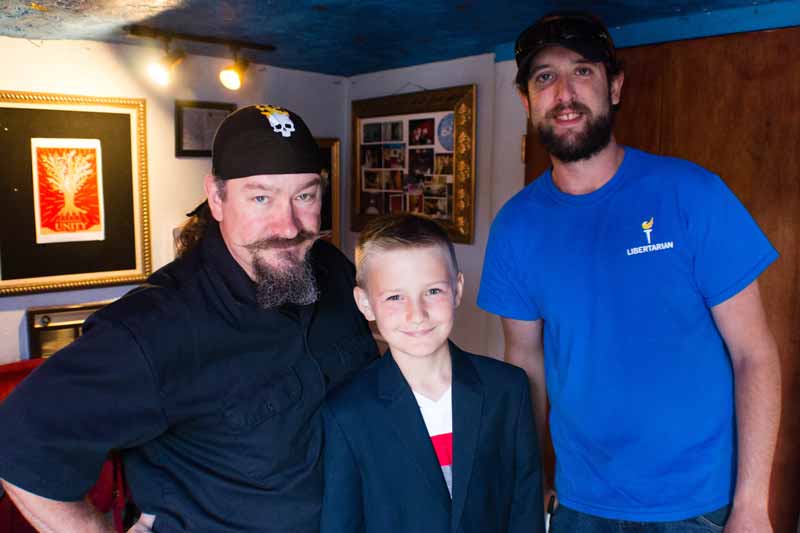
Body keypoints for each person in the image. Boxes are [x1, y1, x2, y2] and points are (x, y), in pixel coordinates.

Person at [0, 104, 378, 533]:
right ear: (216, 199)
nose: (289, 226)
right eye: (260, 197)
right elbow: (18, 441)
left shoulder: (332, 269)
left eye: (305, 196)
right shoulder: (154, 327)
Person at [478, 11, 781, 533]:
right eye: (545, 77)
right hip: (579, 506)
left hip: (700, 508)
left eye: (583, 71)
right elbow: (525, 364)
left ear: (614, 86)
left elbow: (754, 355)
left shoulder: (693, 195)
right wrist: (533, 478)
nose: (564, 93)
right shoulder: (515, 228)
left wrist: (753, 505)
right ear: (527, 102)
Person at [320, 214, 545, 533]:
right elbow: (342, 524)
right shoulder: (346, 412)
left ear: (457, 290)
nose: (417, 314)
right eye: (395, 297)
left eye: (433, 291)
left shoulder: (507, 390)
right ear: (365, 303)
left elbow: (525, 510)